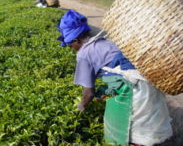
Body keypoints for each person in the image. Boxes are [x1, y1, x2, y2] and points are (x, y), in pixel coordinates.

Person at [57, 9, 173, 146]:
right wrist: (103, 94)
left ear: (76, 40)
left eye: (70, 45)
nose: (72, 48)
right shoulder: (104, 42)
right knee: (148, 129)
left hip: (133, 90)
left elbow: (88, 92)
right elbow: (116, 74)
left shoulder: (83, 54)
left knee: (128, 131)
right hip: (147, 82)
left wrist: (81, 106)